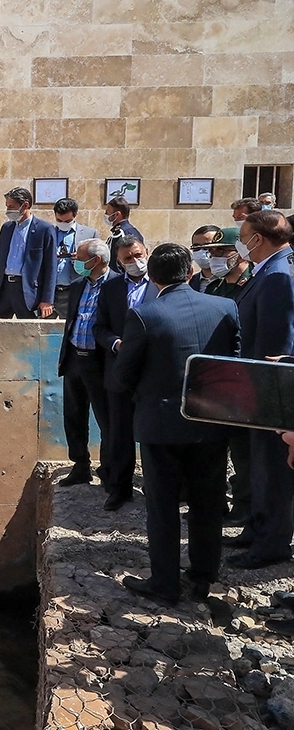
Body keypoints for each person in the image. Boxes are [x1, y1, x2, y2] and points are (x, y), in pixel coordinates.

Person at [112, 243, 241, 605]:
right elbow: (235, 362)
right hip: (212, 421)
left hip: (161, 425)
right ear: (189, 273)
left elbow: (123, 376)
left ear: (151, 277)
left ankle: (165, 583)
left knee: (163, 505)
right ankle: (202, 577)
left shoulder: (144, 314)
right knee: (208, 502)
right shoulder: (225, 307)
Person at [225, 211, 294, 569]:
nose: (241, 242)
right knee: (258, 465)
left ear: (259, 239)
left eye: (243, 235)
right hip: (255, 384)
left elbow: (277, 339)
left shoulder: (279, 274)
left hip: (269, 388)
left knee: (272, 469)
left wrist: (267, 388)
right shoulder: (266, 269)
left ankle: (271, 544)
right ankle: (255, 529)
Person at [192, 226, 254, 525]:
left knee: (243, 451)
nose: (214, 257)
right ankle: (216, 503)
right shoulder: (215, 288)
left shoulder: (251, 284)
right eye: (211, 252)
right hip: (216, 378)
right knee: (214, 448)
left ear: (239, 252)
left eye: (221, 251)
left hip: (243, 378)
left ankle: (244, 505)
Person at [94, 238, 157, 510]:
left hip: (154, 372)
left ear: (147, 252)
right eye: (127, 259)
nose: (135, 262)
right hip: (119, 372)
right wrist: (115, 343)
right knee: (119, 434)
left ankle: (159, 489)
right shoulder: (110, 289)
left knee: (156, 435)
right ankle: (120, 488)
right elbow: (100, 327)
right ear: (118, 262)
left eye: (138, 255)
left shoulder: (161, 285)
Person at [56, 239, 114, 502]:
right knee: (74, 415)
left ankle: (109, 470)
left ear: (96, 260)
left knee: (107, 419)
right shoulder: (79, 284)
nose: (74, 262)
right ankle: (80, 466)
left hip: (100, 362)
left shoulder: (116, 285)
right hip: (75, 359)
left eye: (79, 258)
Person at [0, 187, 58, 319]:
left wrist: (47, 300)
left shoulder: (44, 229)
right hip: (4, 290)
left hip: (28, 292)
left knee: (29, 334)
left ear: (25, 205)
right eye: (7, 206)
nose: (8, 211)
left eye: (12, 207)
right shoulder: (6, 228)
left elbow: (51, 267)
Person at [52, 198, 99, 320]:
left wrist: (80, 259)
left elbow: (97, 263)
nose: (63, 223)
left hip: (75, 291)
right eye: (59, 220)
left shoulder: (90, 234)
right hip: (51, 291)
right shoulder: (48, 232)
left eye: (67, 221)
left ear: (75, 215)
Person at [104, 196, 144, 274]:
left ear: (117, 215)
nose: (106, 215)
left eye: (107, 212)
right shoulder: (119, 231)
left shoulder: (123, 233)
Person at [189, 225, 220, 292]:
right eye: (196, 247)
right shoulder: (190, 283)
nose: (201, 251)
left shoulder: (231, 280)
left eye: (207, 246)